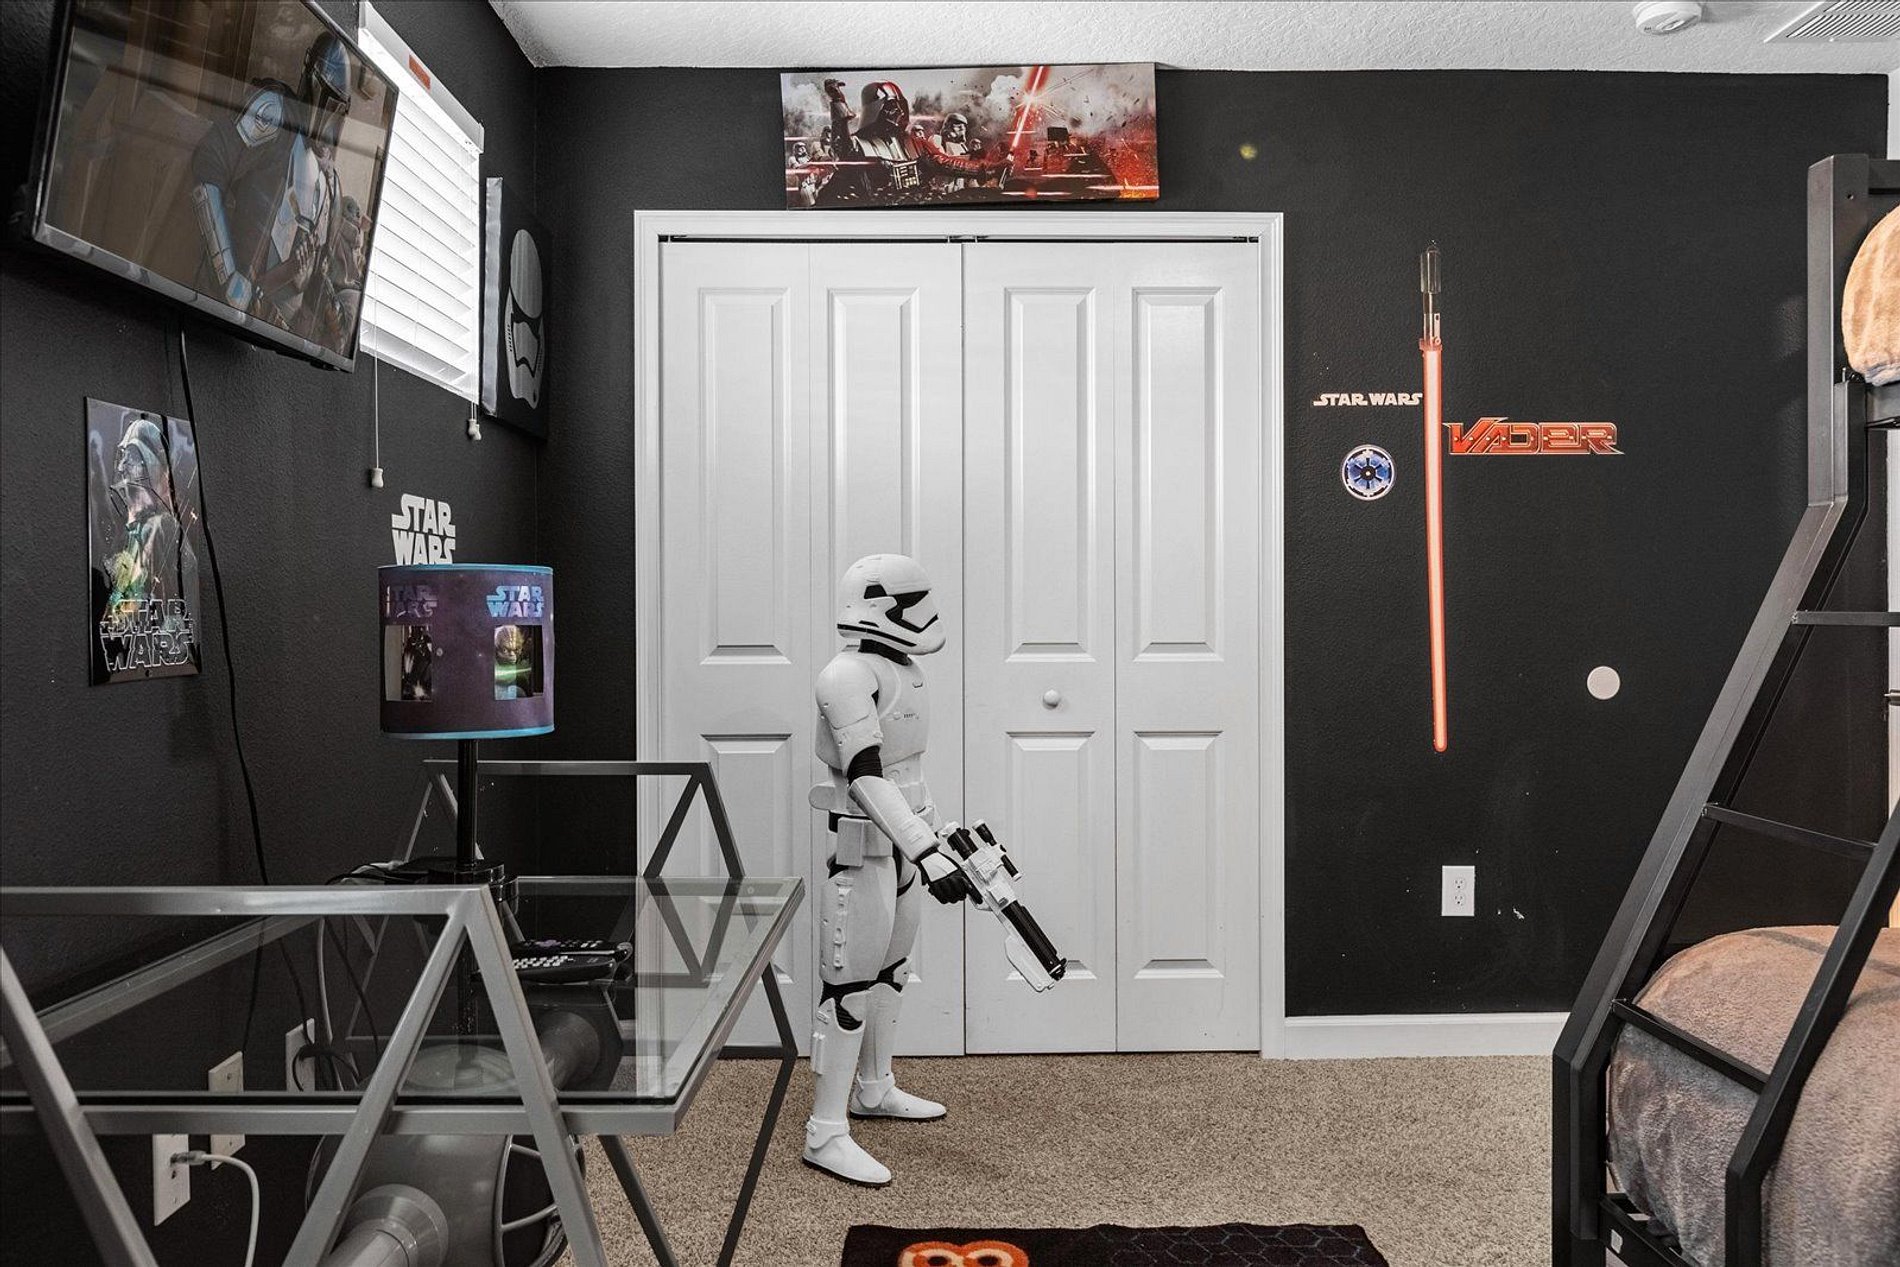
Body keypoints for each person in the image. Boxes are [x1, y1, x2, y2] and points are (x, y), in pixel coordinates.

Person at [803, 554, 969, 1186]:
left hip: (907, 844)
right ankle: (825, 1131)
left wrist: (940, 838)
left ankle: (874, 1087)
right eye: (910, 602)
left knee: (892, 972)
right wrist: (926, 849)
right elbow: (865, 775)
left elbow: (909, 773)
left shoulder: (905, 670)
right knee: (847, 986)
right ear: (877, 605)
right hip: (864, 849)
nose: (922, 614)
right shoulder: (846, 675)